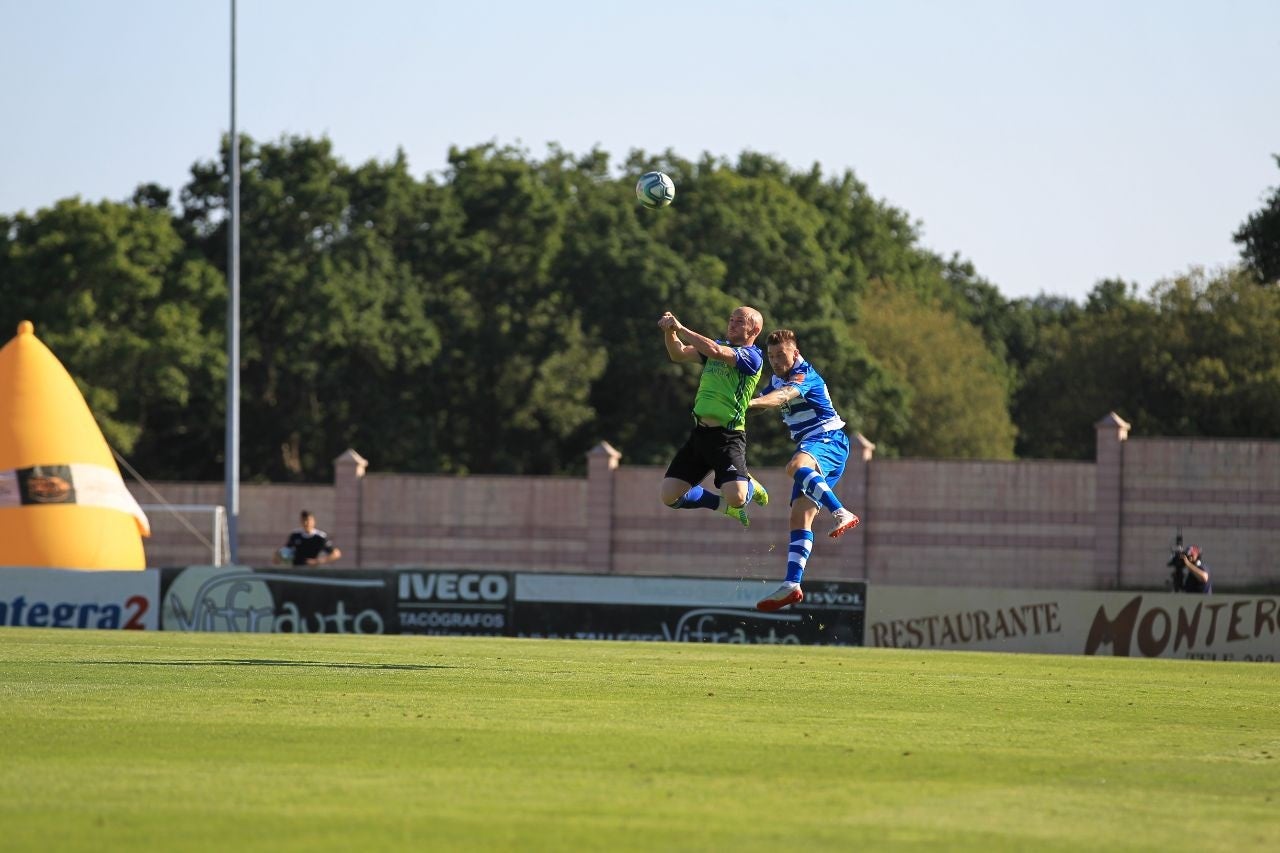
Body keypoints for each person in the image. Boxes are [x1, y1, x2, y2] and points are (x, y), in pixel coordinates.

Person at [747, 329, 861, 612]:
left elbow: (778, 399)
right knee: (799, 517)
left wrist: (745, 404)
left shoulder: (804, 375)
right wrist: (738, 405)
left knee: (795, 466)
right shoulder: (776, 378)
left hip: (827, 439)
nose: (775, 360)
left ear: (794, 353)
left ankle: (841, 512)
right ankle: (792, 584)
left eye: (780, 355)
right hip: (814, 445)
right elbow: (763, 402)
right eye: (771, 356)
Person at [658, 306, 770, 529]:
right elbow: (677, 353)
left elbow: (717, 352)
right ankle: (722, 507)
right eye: (731, 319)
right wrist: (669, 332)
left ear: (754, 329)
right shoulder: (716, 347)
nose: (732, 324)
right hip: (700, 434)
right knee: (669, 496)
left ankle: (749, 484)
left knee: (737, 498)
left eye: (739, 321)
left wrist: (680, 327)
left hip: (727, 437)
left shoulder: (752, 356)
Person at [275, 510, 342, 566]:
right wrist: (278, 556)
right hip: (296, 569)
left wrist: (318, 561)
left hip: (311, 571)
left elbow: (336, 554)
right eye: (303, 520)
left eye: (308, 520)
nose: (306, 523)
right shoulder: (295, 535)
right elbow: (286, 549)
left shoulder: (320, 537)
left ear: (313, 521)